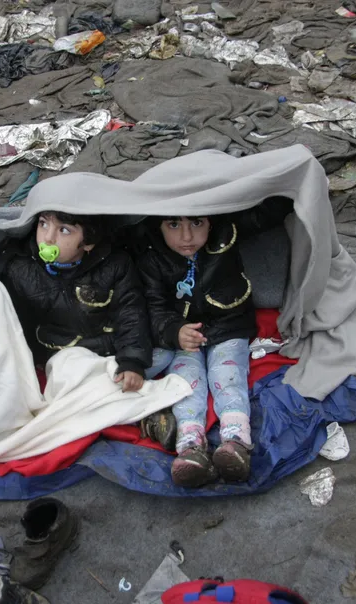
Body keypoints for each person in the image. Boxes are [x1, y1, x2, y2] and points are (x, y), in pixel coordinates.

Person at [136, 197, 294, 487]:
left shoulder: (226, 231)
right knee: (186, 383)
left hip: (228, 324)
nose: (186, 236)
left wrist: (290, 176)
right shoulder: (150, 257)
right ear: (158, 225)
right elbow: (154, 309)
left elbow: (265, 211)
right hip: (184, 339)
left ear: (211, 220)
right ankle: (190, 447)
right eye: (174, 224)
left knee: (228, 375)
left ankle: (235, 442)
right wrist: (174, 332)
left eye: (196, 223)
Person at [0, 211, 152, 393]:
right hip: (61, 355)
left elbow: (131, 314)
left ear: (88, 242)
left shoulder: (115, 265)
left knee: (146, 367)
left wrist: (132, 361)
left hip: (110, 349)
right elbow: (19, 327)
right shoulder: (21, 270)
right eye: (43, 224)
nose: (47, 238)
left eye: (64, 230)